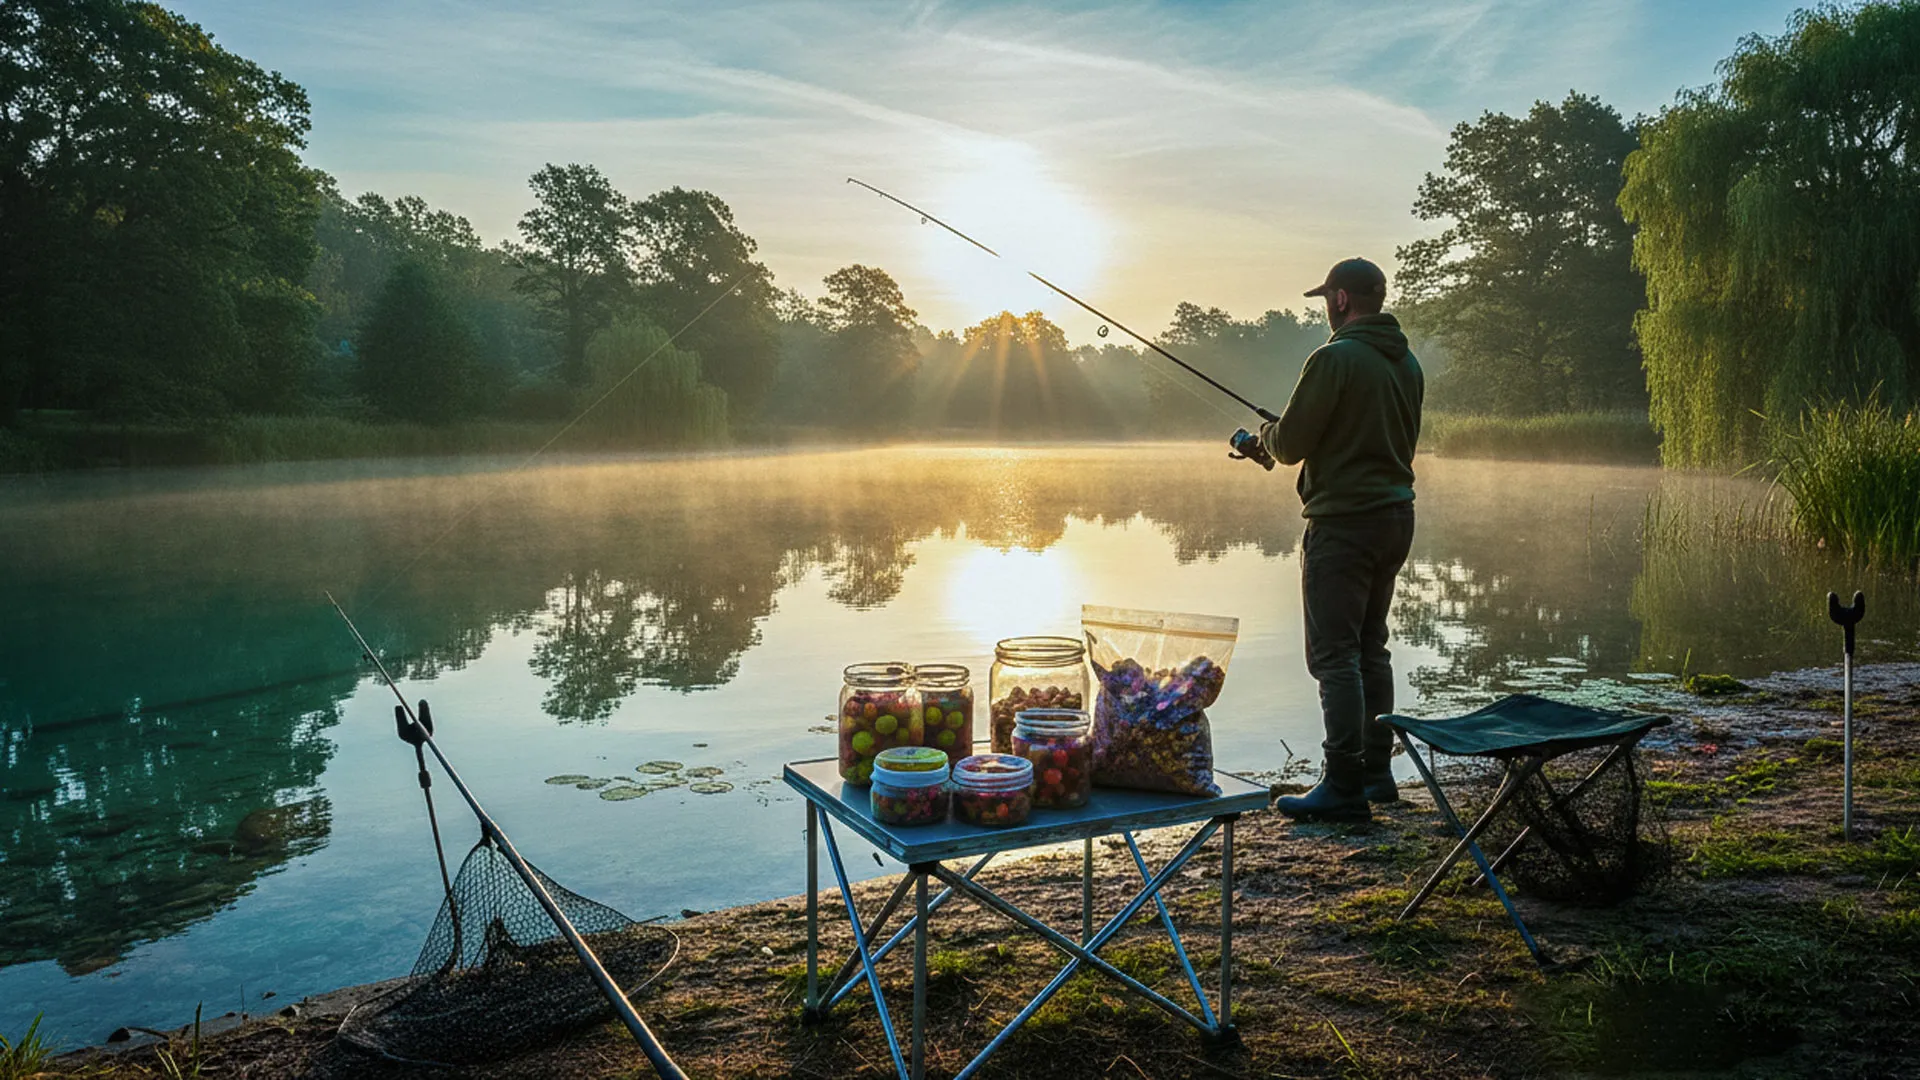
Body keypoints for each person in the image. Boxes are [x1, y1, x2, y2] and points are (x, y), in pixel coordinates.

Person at [1259, 257, 1423, 823]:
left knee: (1334, 656)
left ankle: (1343, 783)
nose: (1325, 309)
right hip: (1395, 518)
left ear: (1343, 300)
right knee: (1370, 647)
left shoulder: (1332, 358)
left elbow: (1289, 444)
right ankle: (1378, 774)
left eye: (1327, 298)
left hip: (1344, 525)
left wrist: (1263, 437)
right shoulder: (1407, 363)